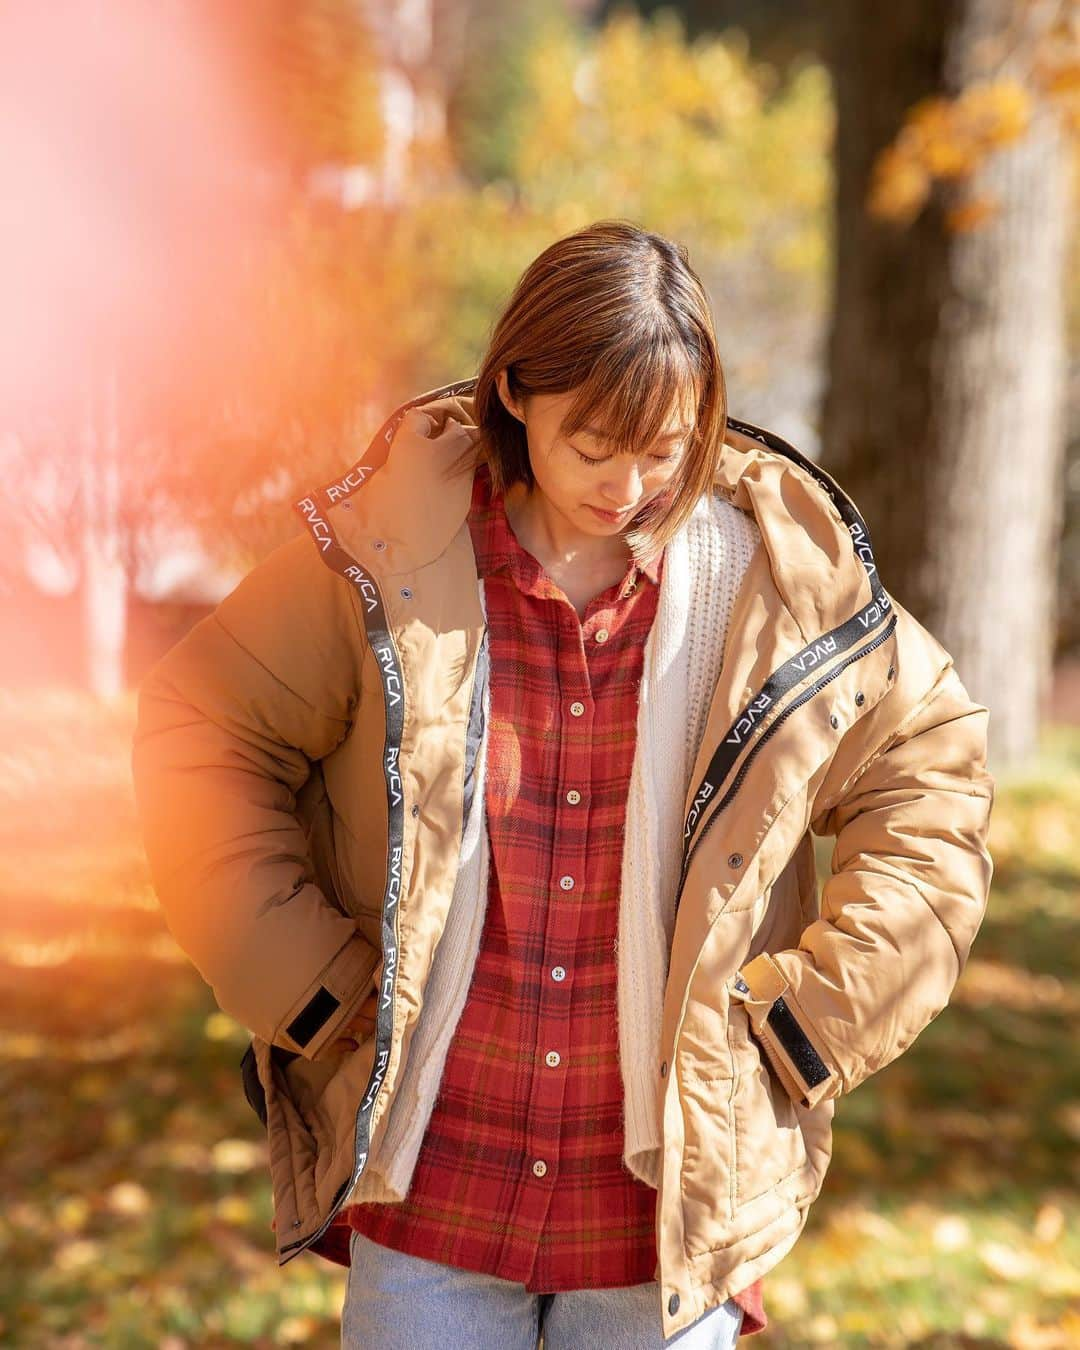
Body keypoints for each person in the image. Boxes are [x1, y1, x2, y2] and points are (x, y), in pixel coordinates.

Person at [131, 219, 995, 1349]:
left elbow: (934, 779)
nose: (632, 487)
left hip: (663, 1224)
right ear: (515, 394)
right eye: (595, 445)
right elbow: (200, 727)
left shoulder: (775, 578)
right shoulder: (389, 549)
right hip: (430, 1199)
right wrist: (310, 989)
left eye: (667, 449)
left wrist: (806, 1026)